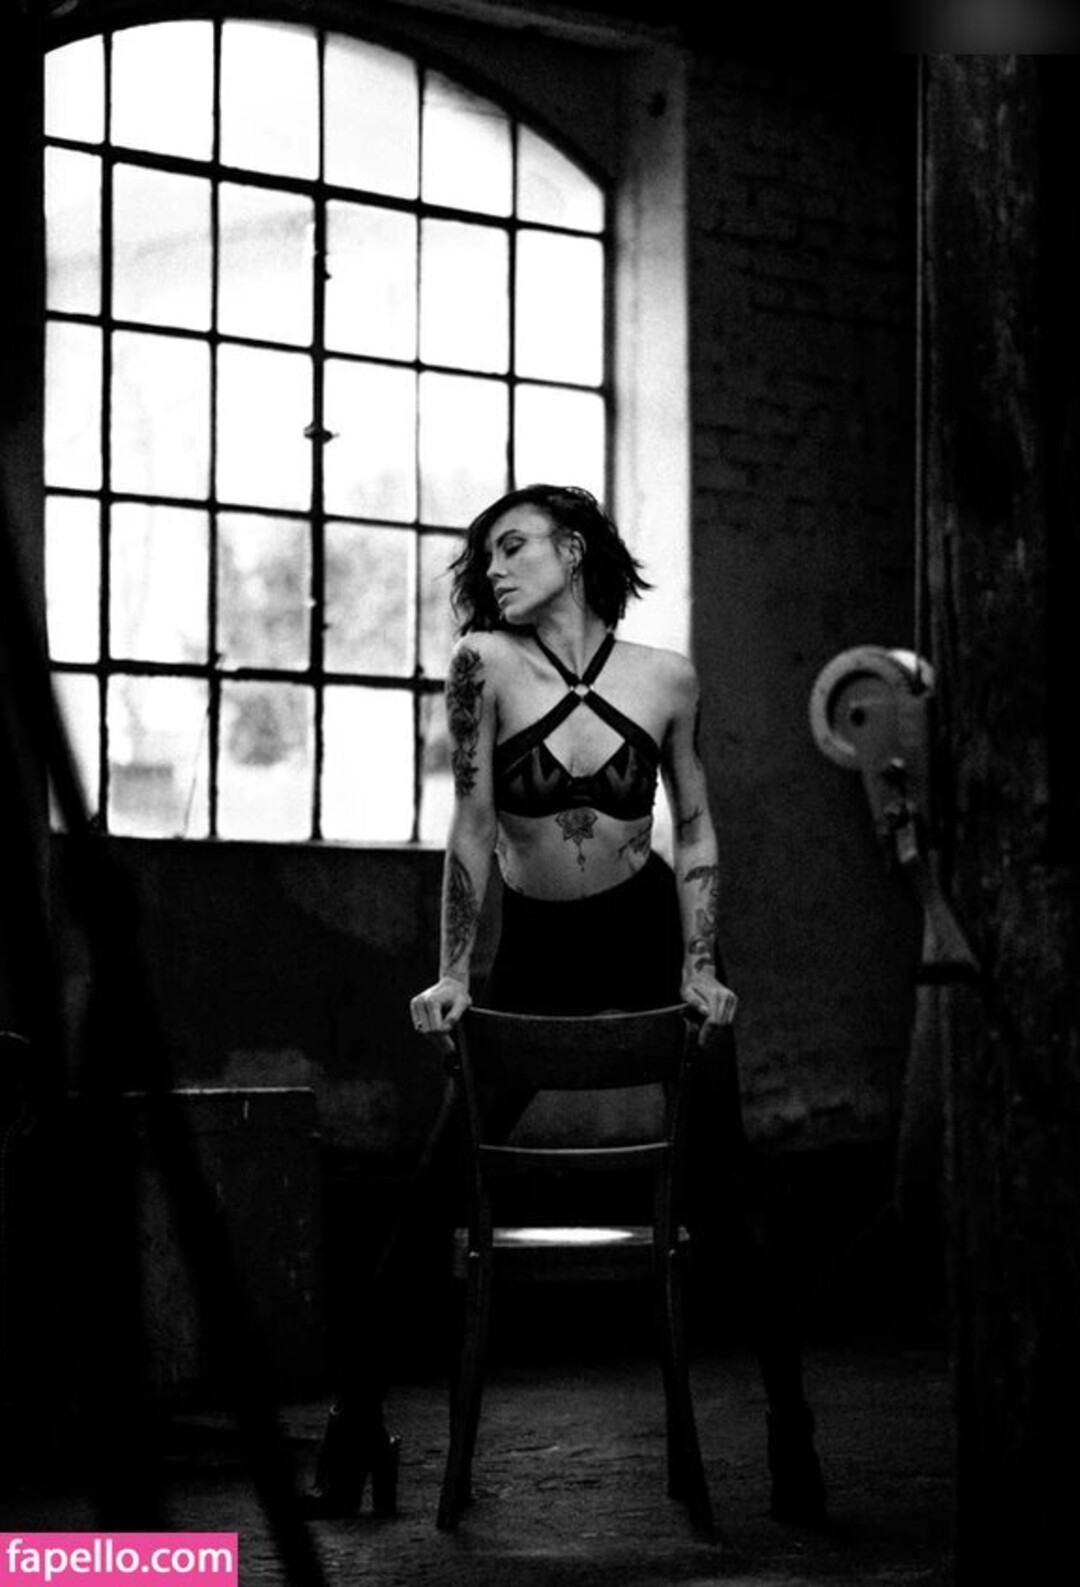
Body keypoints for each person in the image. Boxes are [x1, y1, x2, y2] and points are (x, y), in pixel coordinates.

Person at [306, 484, 826, 1525]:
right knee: (433, 1189)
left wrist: (699, 965)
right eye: (485, 557)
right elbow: (471, 825)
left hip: (647, 938)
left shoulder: (666, 676)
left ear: (574, 550)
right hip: (537, 952)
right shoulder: (481, 665)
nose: (492, 570)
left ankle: (793, 1436)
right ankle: (353, 1428)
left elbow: (697, 826)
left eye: (512, 547)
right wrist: (456, 971)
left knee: (732, 1184)